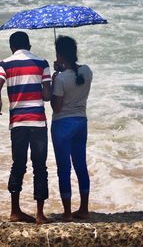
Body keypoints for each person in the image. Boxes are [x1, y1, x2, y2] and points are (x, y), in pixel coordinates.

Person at [0, 31, 51, 224]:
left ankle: (15, 211)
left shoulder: (5, 64)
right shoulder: (42, 63)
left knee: (18, 165)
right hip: (37, 122)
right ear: (29, 46)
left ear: (12, 47)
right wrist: (54, 78)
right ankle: (40, 214)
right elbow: (47, 96)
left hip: (18, 123)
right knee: (40, 167)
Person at [51, 35, 92, 222]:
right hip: (81, 122)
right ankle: (84, 208)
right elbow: (75, 78)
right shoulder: (87, 71)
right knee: (80, 165)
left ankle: (67, 213)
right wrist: (63, 70)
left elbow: (57, 107)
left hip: (62, 124)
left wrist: (54, 79)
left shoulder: (60, 79)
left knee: (64, 169)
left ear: (59, 55)